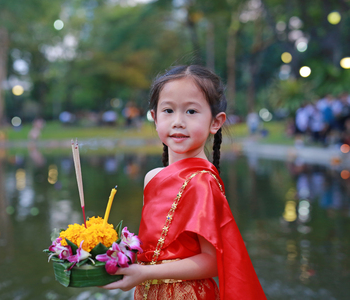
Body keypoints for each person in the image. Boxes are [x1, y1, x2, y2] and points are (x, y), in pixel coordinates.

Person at [102, 65, 266, 299]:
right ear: (155, 117)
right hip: (148, 292)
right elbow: (154, 248)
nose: (178, 121)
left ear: (215, 122)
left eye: (191, 112)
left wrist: (145, 274)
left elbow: (212, 262)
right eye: (168, 110)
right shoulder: (152, 177)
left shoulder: (202, 182)